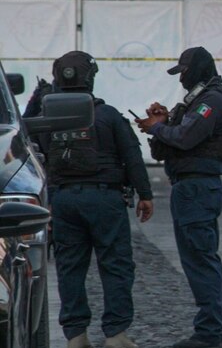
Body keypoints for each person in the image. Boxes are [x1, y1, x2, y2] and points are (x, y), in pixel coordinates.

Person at [44, 51, 154, 348]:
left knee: (69, 266)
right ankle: (116, 334)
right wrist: (145, 194)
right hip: (105, 197)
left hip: (64, 200)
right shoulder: (108, 115)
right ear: (90, 78)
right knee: (116, 265)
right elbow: (132, 156)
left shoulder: (48, 117)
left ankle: (75, 335)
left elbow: (40, 156)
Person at [136, 46, 222, 348]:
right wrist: (162, 123)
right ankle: (214, 330)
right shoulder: (199, 101)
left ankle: (210, 333)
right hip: (191, 187)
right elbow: (176, 138)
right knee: (201, 259)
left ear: (196, 70)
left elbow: (186, 137)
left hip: (197, 188)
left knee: (200, 260)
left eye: (184, 72)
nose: (181, 79)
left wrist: (159, 128)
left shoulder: (212, 101)